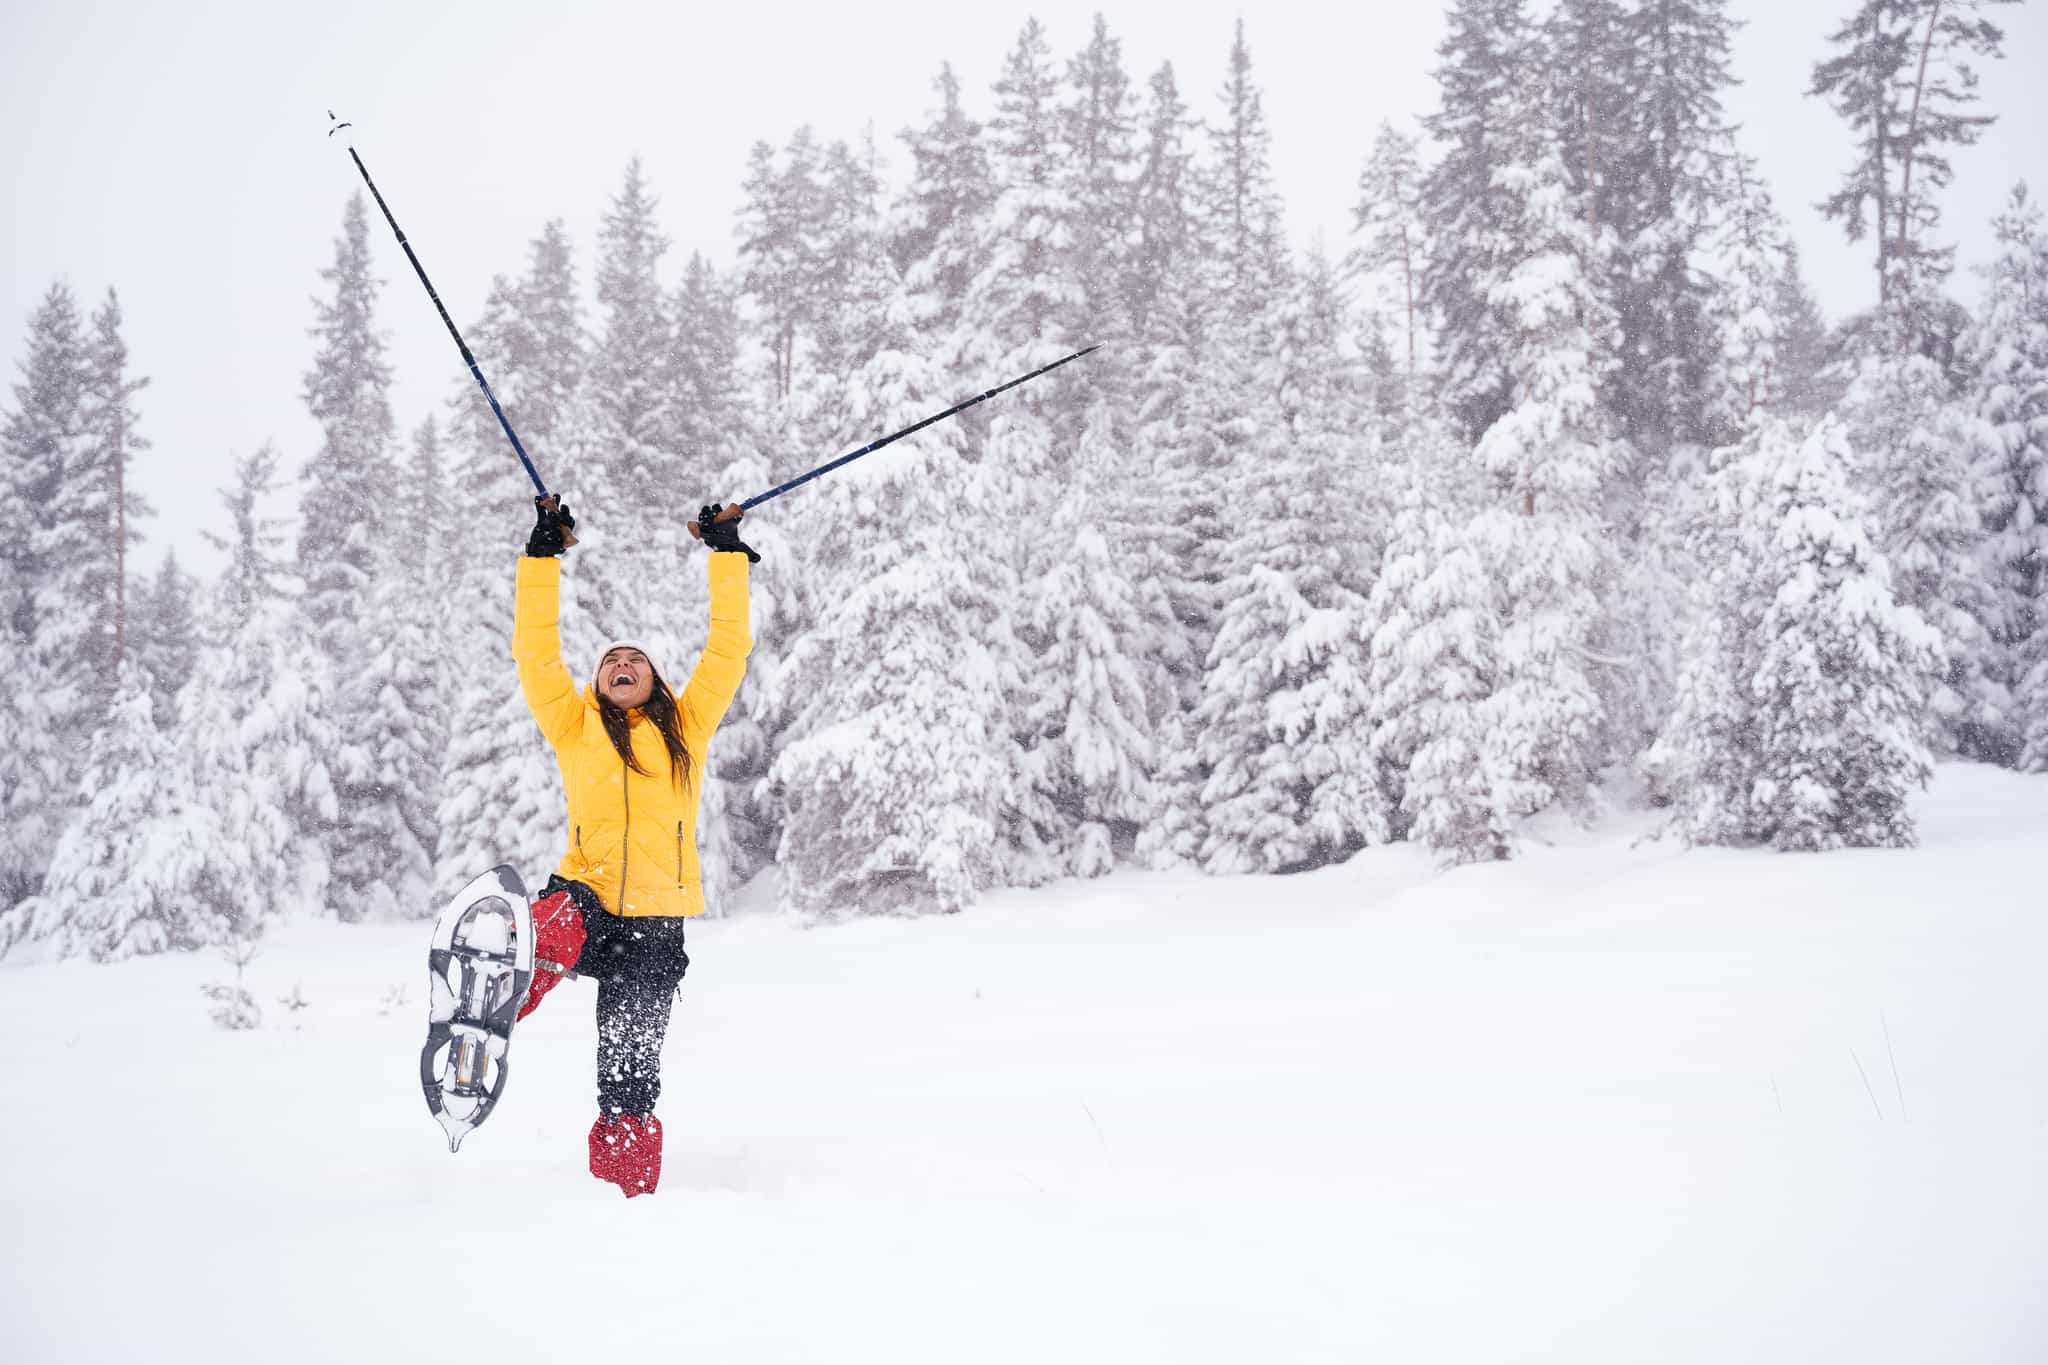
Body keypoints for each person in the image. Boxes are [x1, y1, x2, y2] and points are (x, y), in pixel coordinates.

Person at [511, 494, 757, 1197]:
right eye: (610, 659)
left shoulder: (687, 726)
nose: (621, 662)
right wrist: (541, 559)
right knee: (555, 912)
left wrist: (727, 554)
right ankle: (510, 978)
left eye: (634, 659)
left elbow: (727, 651)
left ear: (653, 680)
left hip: (652, 922)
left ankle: (624, 1197)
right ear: (596, 684)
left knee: (628, 1067)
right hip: (585, 899)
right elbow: (536, 652)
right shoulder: (574, 725)